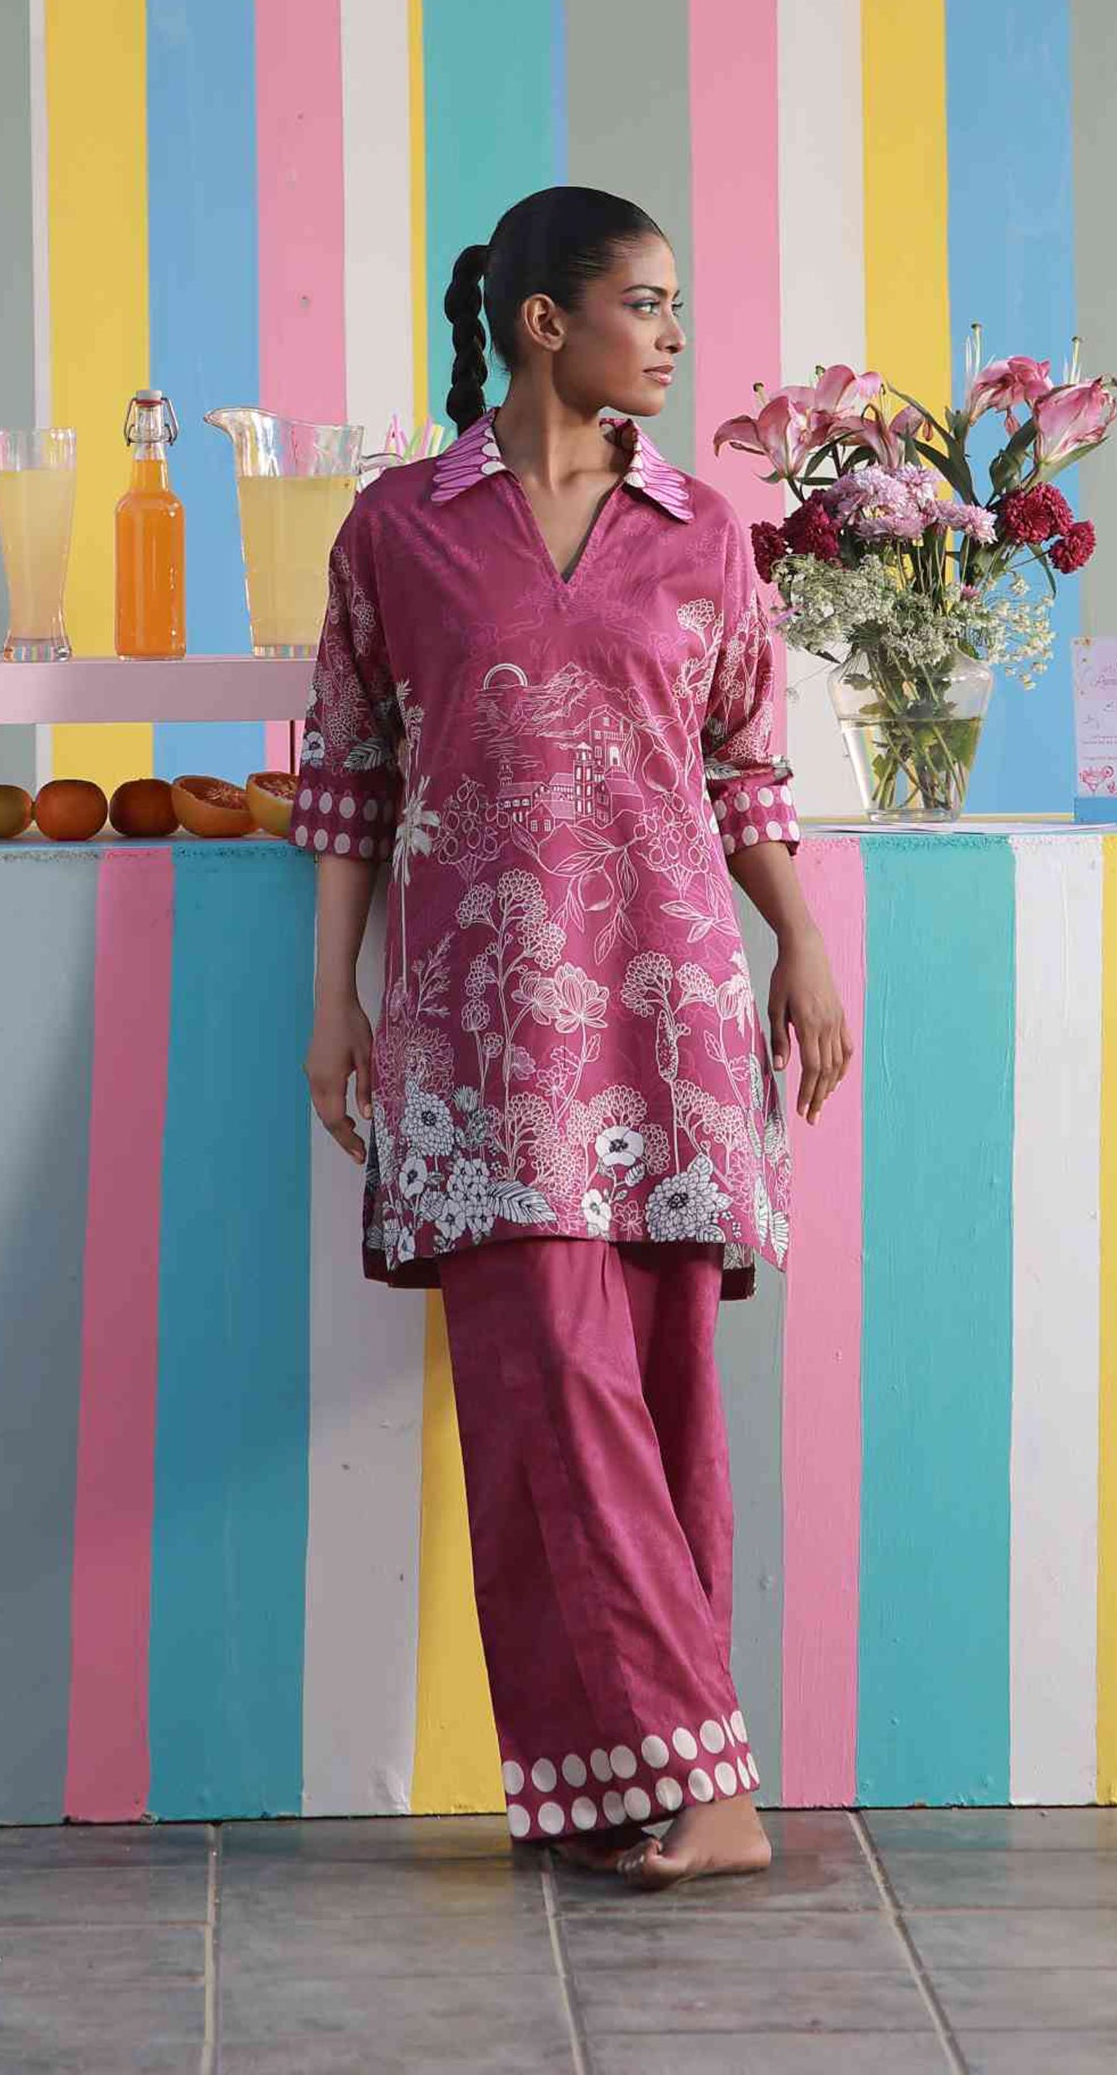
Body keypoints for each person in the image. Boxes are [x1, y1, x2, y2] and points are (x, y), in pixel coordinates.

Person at [296, 186, 851, 1889]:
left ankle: (654, 1784)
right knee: (543, 1377)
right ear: (547, 323)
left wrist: (800, 945)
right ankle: (684, 1778)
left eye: (673, 305)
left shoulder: (704, 533)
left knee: (663, 1392)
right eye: (645, 303)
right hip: (477, 1030)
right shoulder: (399, 528)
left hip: (672, 1011)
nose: (672, 335)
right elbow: (348, 779)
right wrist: (334, 1001)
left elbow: (743, 768)